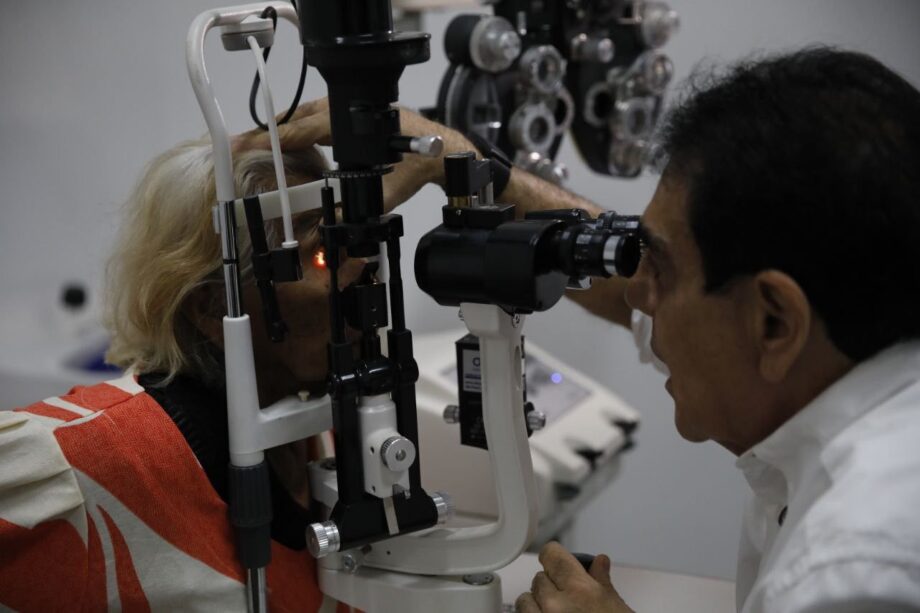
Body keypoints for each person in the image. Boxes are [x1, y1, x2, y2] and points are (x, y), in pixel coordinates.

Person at [242, 48, 920, 611]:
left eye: (659, 267)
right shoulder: (859, 370)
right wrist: (469, 164)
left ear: (774, 321)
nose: (637, 296)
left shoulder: (855, 571)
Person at [0, 100, 436, 611]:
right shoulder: (98, 456)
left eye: (354, 244)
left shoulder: (330, 427)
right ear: (212, 305)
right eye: (324, 254)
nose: (364, 270)